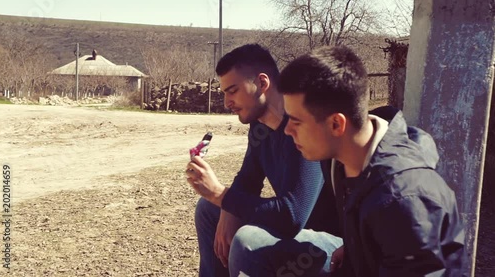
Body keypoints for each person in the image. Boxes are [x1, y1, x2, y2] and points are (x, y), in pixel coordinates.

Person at [278, 45, 466, 277]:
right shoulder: (341, 160)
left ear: (337, 124)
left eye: (296, 122)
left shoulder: (403, 201)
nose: (286, 130)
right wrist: (356, 245)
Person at [185, 44, 342, 277]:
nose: (227, 102)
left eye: (233, 90)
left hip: (335, 247)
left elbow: (292, 216)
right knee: (209, 210)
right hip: (298, 231)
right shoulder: (260, 127)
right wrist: (224, 207)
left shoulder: (303, 124)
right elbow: (248, 179)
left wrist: (221, 195)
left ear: (262, 83)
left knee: (247, 240)